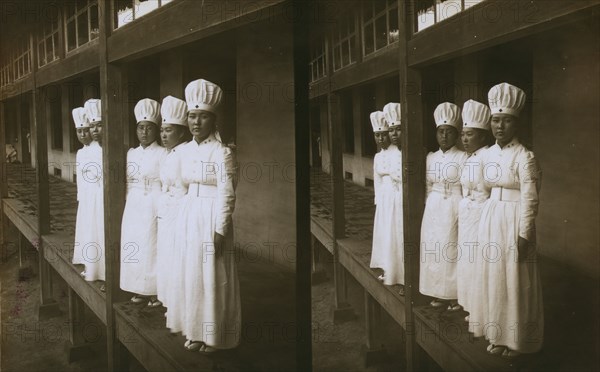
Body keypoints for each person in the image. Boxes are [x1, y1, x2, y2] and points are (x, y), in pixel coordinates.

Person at [168, 79, 240, 353]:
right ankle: (194, 331)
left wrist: (220, 229)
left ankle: (215, 336)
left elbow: (227, 194)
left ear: (213, 120)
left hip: (211, 216)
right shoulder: (183, 151)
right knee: (192, 275)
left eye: (203, 117)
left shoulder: (221, 152)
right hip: (189, 215)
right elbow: (178, 188)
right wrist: (176, 221)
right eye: (192, 116)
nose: (196, 122)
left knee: (213, 275)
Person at [471, 83, 543, 358]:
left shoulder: (525, 157)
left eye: (507, 121)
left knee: (515, 279)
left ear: (517, 123)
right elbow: (480, 191)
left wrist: (525, 234)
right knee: (495, 278)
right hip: (492, 218)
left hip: (514, 220)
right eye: (496, 120)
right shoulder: (486, 155)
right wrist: (479, 223)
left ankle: (519, 340)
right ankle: (497, 334)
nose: (500, 126)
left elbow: (531, 200)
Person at [419, 102, 467, 311]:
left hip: (454, 205)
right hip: (434, 206)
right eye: (441, 131)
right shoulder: (431, 157)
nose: (444, 136)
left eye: (449, 132)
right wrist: (429, 204)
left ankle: (454, 295)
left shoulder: (464, 157)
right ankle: (437, 292)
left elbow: (466, 187)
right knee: (434, 249)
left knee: (452, 248)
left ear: (456, 135)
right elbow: (428, 185)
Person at [120, 98, 167, 307]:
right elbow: (128, 181)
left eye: (149, 128)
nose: (144, 132)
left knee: (152, 246)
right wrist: (128, 201)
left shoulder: (163, 152)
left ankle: (155, 291)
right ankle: (137, 288)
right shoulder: (131, 153)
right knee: (135, 246)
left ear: (156, 130)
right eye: (141, 127)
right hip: (134, 203)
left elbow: (167, 183)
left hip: (154, 202)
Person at [455, 99, 491, 321]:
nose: (465, 139)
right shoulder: (468, 158)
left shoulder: (488, 157)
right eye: (463, 134)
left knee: (479, 262)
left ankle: (481, 308)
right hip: (467, 214)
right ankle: (469, 303)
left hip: (482, 214)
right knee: (467, 260)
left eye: (470, 134)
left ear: (483, 137)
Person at [156, 96, 189, 311]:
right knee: (166, 255)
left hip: (181, 210)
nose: (164, 135)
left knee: (179, 258)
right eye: (162, 130)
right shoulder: (168, 153)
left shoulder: (186, 152)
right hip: (166, 210)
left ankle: (179, 303)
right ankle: (167, 299)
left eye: (169, 130)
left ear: (181, 132)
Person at [369, 103, 404, 294]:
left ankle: (400, 273)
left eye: (385, 134)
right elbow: (377, 181)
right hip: (384, 199)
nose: (382, 138)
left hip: (397, 197)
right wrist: (378, 201)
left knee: (396, 234)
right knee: (385, 233)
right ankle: (388, 268)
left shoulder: (397, 153)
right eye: (378, 135)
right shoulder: (377, 157)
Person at [82, 99, 105, 289]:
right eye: (92, 126)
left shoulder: (116, 147)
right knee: (94, 232)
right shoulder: (90, 150)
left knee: (107, 233)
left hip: (108, 196)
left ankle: (108, 274)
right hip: (94, 196)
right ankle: (94, 268)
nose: (95, 130)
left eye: (99, 125)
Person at [72, 107, 93, 268]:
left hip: (96, 194)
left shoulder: (98, 150)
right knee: (85, 226)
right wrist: (80, 196)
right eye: (79, 131)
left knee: (94, 228)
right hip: (85, 196)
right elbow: (80, 177)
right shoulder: (80, 153)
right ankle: (86, 259)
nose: (83, 135)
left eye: (86, 130)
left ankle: (94, 262)